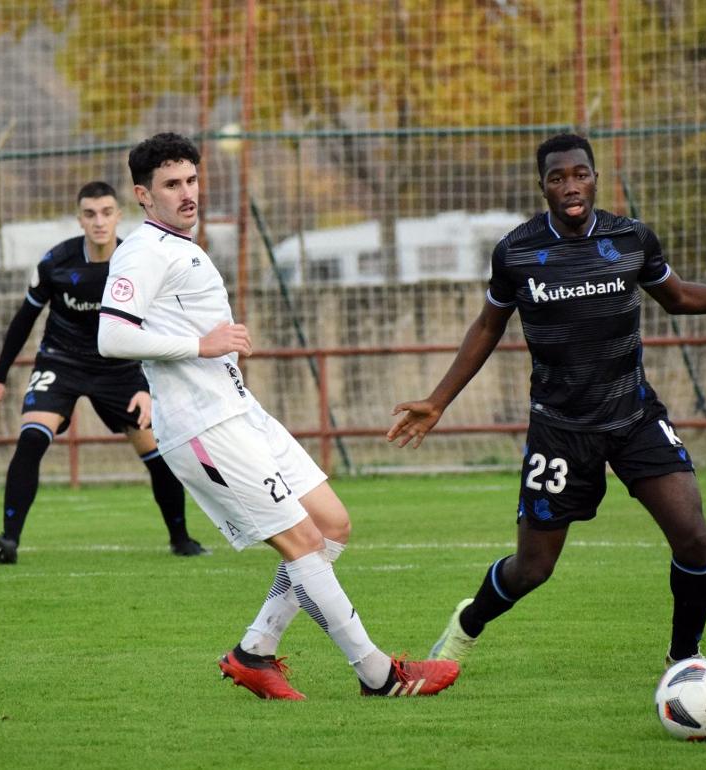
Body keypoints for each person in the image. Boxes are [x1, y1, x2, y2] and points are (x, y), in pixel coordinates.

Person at [388, 132, 706, 670]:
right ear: (543, 187)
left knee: (694, 538)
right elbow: (487, 326)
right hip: (560, 429)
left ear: (596, 177)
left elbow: (682, 297)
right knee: (532, 569)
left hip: (634, 415)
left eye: (580, 174)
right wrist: (438, 400)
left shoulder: (631, 238)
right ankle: (468, 624)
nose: (571, 185)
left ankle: (684, 659)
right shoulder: (518, 251)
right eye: (557, 178)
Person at [98, 132, 459, 699]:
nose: (187, 193)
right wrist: (203, 344)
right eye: (172, 185)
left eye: (192, 180)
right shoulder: (142, 251)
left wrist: (213, 347)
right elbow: (112, 335)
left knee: (332, 524)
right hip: (203, 427)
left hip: (241, 411)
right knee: (302, 541)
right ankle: (378, 674)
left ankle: (254, 652)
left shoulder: (181, 244)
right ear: (144, 195)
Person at [0, 181, 206, 563]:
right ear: (79, 218)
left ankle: (181, 538)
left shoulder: (136, 260)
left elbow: (160, 325)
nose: (99, 221)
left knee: (155, 451)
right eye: (89, 214)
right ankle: (10, 540)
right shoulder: (57, 261)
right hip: (61, 361)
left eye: (106, 212)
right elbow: (24, 318)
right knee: (31, 439)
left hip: (121, 367)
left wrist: (148, 385)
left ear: (119, 215)